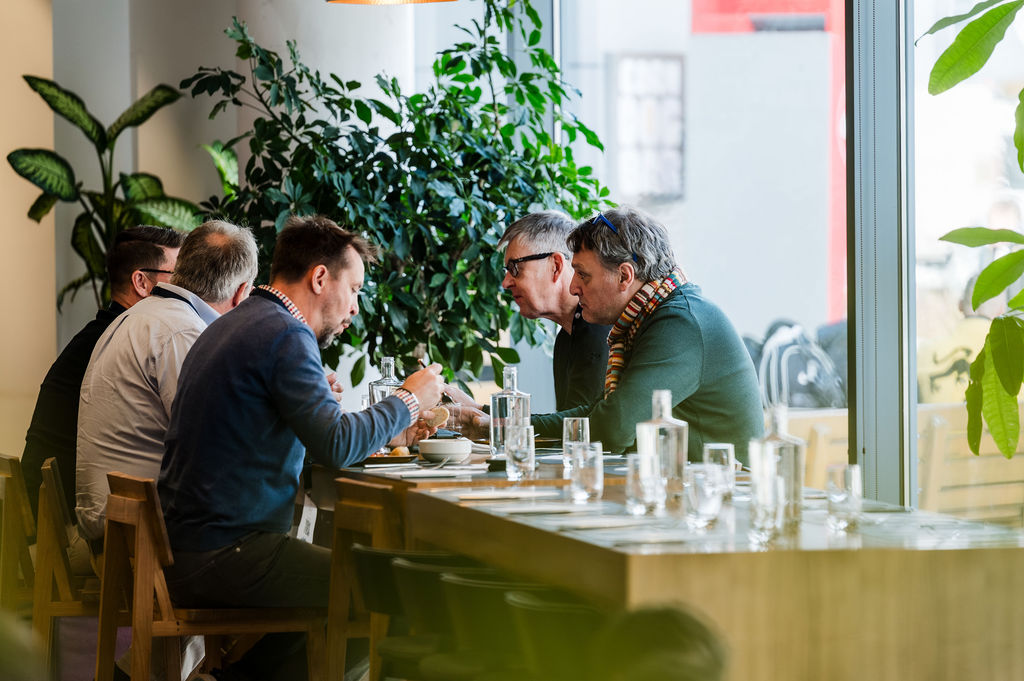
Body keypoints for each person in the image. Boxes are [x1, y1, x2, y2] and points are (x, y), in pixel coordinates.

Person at [157, 215, 444, 681]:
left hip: (190, 548)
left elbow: (303, 434)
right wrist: (409, 400)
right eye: (355, 290)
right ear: (320, 277)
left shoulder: (237, 323)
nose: (356, 308)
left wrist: (391, 432)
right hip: (225, 553)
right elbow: (336, 444)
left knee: (339, 586)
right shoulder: (285, 334)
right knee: (394, 589)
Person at [472, 206, 763, 460]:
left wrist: (499, 423)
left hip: (722, 495)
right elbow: (599, 413)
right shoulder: (651, 317)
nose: (573, 287)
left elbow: (614, 427)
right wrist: (495, 420)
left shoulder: (680, 322)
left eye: (583, 275)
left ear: (624, 276)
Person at [75, 220, 258, 543]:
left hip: (112, 516)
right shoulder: (183, 332)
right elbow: (218, 443)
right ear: (241, 293)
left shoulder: (138, 315)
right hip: (136, 530)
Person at [21, 225, 183, 526]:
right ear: (141, 282)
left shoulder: (99, 333)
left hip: (46, 512)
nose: (185, 288)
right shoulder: (123, 342)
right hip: (66, 524)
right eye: (177, 275)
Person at [496, 211, 611, 410]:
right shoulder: (567, 337)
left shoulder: (599, 330)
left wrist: (483, 415)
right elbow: (566, 424)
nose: (505, 283)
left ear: (556, 266)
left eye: (515, 268)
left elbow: (579, 424)